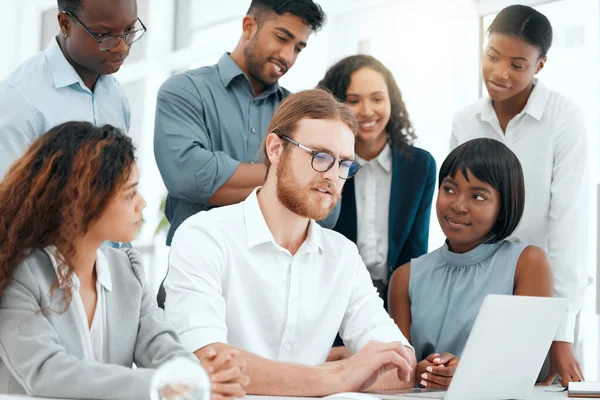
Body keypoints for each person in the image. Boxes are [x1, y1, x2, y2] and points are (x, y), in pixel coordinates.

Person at [163, 90, 416, 396]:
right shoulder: (204, 236)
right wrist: (335, 376)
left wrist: (333, 373)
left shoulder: (342, 256)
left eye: (344, 164)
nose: (333, 177)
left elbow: (401, 366)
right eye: (320, 157)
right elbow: (207, 362)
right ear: (275, 149)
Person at [0, 122, 249, 400]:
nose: (141, 203)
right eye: (130, 193)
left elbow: (161, 348)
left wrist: (199, 378)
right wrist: (166, 386)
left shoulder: (126, 269)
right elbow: (47, 372)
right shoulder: (17, 274)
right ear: (82, 201)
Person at [450, 5, 587, 385]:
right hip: (479, 296)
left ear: (540, 65)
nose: (500, 73)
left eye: (517, 64)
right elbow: (459, 216)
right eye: (493, 56)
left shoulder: (564, 119)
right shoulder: (465, 121)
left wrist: (562, 333)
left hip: (542, 300)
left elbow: (567, 230)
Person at [154, 0, 339, 248]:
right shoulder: (184, 91)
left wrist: (220, 179)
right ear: (249, 26)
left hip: (275, 275)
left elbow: (326, 212)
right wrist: (293, 178)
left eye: (298, 48)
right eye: (281, 38)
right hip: (196, 268)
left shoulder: (300, 115)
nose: (288, 56)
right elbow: (188, 177)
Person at [388, 138, 555, 389]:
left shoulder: (529, 263)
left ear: (503, 206)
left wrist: (468, 373)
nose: (458, 205)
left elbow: (524, 362)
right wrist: (420, 370)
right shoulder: (405, 277)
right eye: (449, 189)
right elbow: (400, 369)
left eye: (478, 196)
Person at [318, 54, 436, 305]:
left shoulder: (420, 165)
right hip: (332, 293)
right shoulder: (324, 165)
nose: (367, 111)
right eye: (353, 101)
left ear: (391, 101)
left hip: (398, 296)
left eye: (377, 99)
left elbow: (416, 249)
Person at [0, 0, 145, 179]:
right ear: (65, 24)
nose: (122, 47)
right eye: (104, 34)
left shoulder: (114, 93)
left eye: (129, 30)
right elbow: (7, 200)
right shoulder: (18, 100)